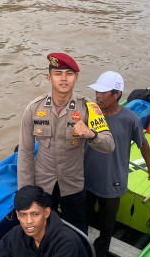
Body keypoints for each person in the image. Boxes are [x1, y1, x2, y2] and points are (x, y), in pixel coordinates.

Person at [17, 53, 114, 233]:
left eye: (69, 73)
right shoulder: (33, 109)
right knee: (41, 233)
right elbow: (25, 153)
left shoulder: (89, 108)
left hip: (73, 186)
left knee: (78, 235)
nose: (63, 78)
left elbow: (109, 145)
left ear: (76, 78)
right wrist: (25, 193)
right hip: (42, 187)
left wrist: (90, 134)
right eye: (58, 73)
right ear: (49, 77)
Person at [83, 71, 150, 257]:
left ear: (117, 94)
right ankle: (80, 254)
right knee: (82, 219)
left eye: (103, 93)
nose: (98, 96)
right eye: (97, 92)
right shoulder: (90, 113)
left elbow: (143, 144)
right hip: (85, 179)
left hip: (112, 181)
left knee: (107, 226)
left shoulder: (130, 119)